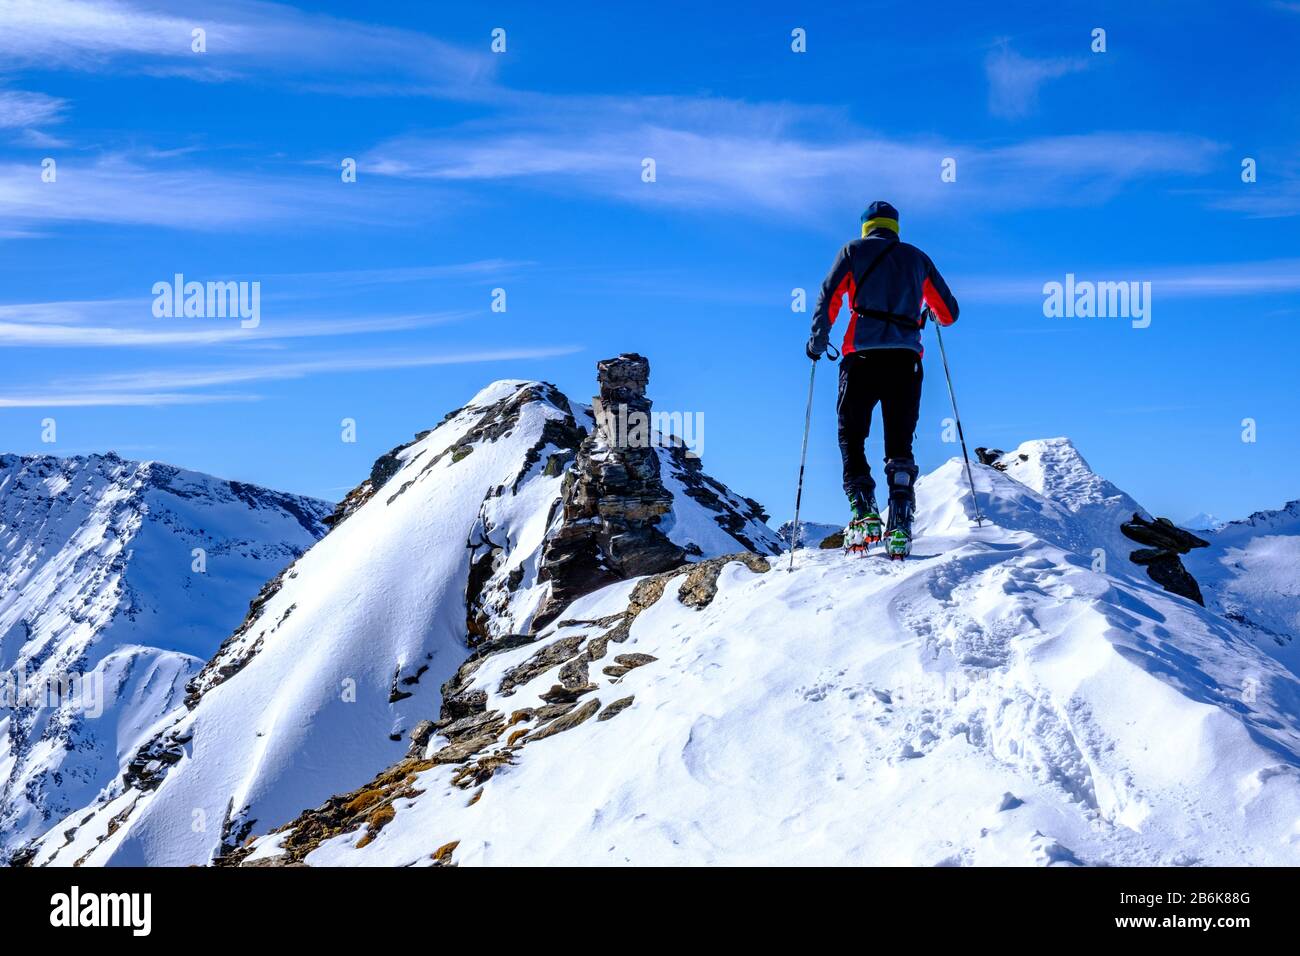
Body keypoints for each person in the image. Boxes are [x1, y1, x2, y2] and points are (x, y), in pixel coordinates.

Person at [805, 200, 960, 558]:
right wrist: (927, 310)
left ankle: (863, 508)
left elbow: (828, 296)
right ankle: (901, 514)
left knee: (852, 434)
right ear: (895, 227)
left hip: (860, 358)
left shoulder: (852, 251)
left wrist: (817, 340)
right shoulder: (917, 258)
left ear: (865, 226)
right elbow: (949, 313)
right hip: (905, 361)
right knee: (899, 442)